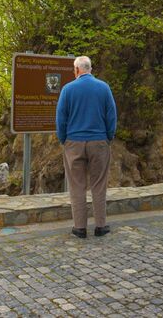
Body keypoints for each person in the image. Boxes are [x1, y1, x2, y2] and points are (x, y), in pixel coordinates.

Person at [56, 56, 117, 239]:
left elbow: (61, 118)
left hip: (74, 142)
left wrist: (64, 139)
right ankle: (100, 226)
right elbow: (111, 115)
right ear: (90, 69)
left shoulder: (67, 89)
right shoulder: (104, 87)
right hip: (98, 141)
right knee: (99, 185)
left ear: (76, 70)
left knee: (76, 186)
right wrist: (108, 137)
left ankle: (79, 228)